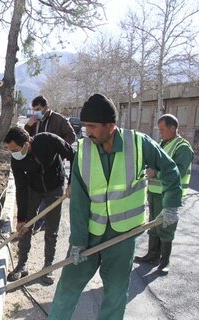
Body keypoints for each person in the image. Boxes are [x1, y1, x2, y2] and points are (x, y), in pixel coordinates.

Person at [49, 94, 182, 320]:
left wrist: (170, 206)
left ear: (110, 126)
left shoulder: (139, 144)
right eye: (85, 126)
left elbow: (170, 170)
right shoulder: (83, 150)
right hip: (90, 233)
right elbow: (79, 202)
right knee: (68, 286)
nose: (87, 131)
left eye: (92, 126)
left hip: (124, 235)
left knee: (116, 292)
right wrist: (78, 242)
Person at [4, 126, 75, 285]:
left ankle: (48, 266)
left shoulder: (49, 140)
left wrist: (71, 183)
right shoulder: (16, 159)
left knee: (51, 228)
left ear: (27, 144)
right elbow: (21, 188)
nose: (13, 153)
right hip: (33, 189)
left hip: (55, 187)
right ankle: (22, 264)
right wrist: (21, 218)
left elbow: (74, 155)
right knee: (25, 226)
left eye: (14, 149)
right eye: (10, 150)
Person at [134, 114, 194, 274]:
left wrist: (156, 173)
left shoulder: (183, 147)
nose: (160, 133)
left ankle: (164, 261)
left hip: (169, 195)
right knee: (153, 224)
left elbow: (178, 172)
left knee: (166, 225)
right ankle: (152, 255)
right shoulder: (163, 143)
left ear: (173, 128)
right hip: (155, 193)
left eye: (162, 130)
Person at [24, 95, 76, 233]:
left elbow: (71, 136)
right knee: (38, 194)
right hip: (37, 164)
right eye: (33, 109)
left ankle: (39, 223)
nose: (36, 112)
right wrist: (28, 126)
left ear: (46, 108)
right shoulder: (34, 121)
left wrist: (58, 149)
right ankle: (38, 222)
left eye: (38, 109)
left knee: (49, 195)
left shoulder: (59, 120)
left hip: (54, 165)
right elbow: (25, 139)